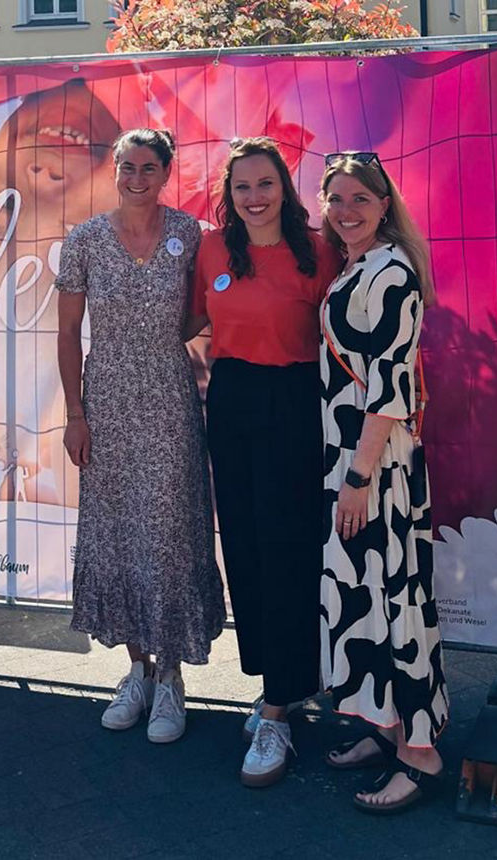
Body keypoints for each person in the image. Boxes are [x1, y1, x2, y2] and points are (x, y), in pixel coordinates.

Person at [55, 128, 225, 744]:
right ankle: (137, 669)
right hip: (106, 404)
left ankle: (173, 676)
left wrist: (172, 331)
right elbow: (68, 333)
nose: (136, 177)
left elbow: (207, 305)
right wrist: (76, 413)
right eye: (126, 165)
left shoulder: (190, 236)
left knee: (171, 534)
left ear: (165, 171)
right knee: (117, 530)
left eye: (148, 167)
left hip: (171, 402)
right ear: (114, 169)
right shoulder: (85, 241)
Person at [185, 137, 341, 787]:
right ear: (230, 195)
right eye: (243, 186)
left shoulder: (321, 251)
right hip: (232, 402)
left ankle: (280, 704)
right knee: (246, 548)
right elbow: (192, 322)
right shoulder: (213, 250)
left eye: (265, 183)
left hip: (297, 404)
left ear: (285, 187)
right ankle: (278, 682)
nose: (254, 197)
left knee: (288, 550)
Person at [318, 151, 450, 813]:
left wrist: (358, 477)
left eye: (359, 199)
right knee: (370, 598)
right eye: (336, 199)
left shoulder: (391, 269)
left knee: (396, 600)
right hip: (354, 463)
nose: (346, 211)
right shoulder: (359, 265)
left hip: (375, 467)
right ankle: (387, 723)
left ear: (383, 203)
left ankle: (420, 753)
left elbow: (390, 389)